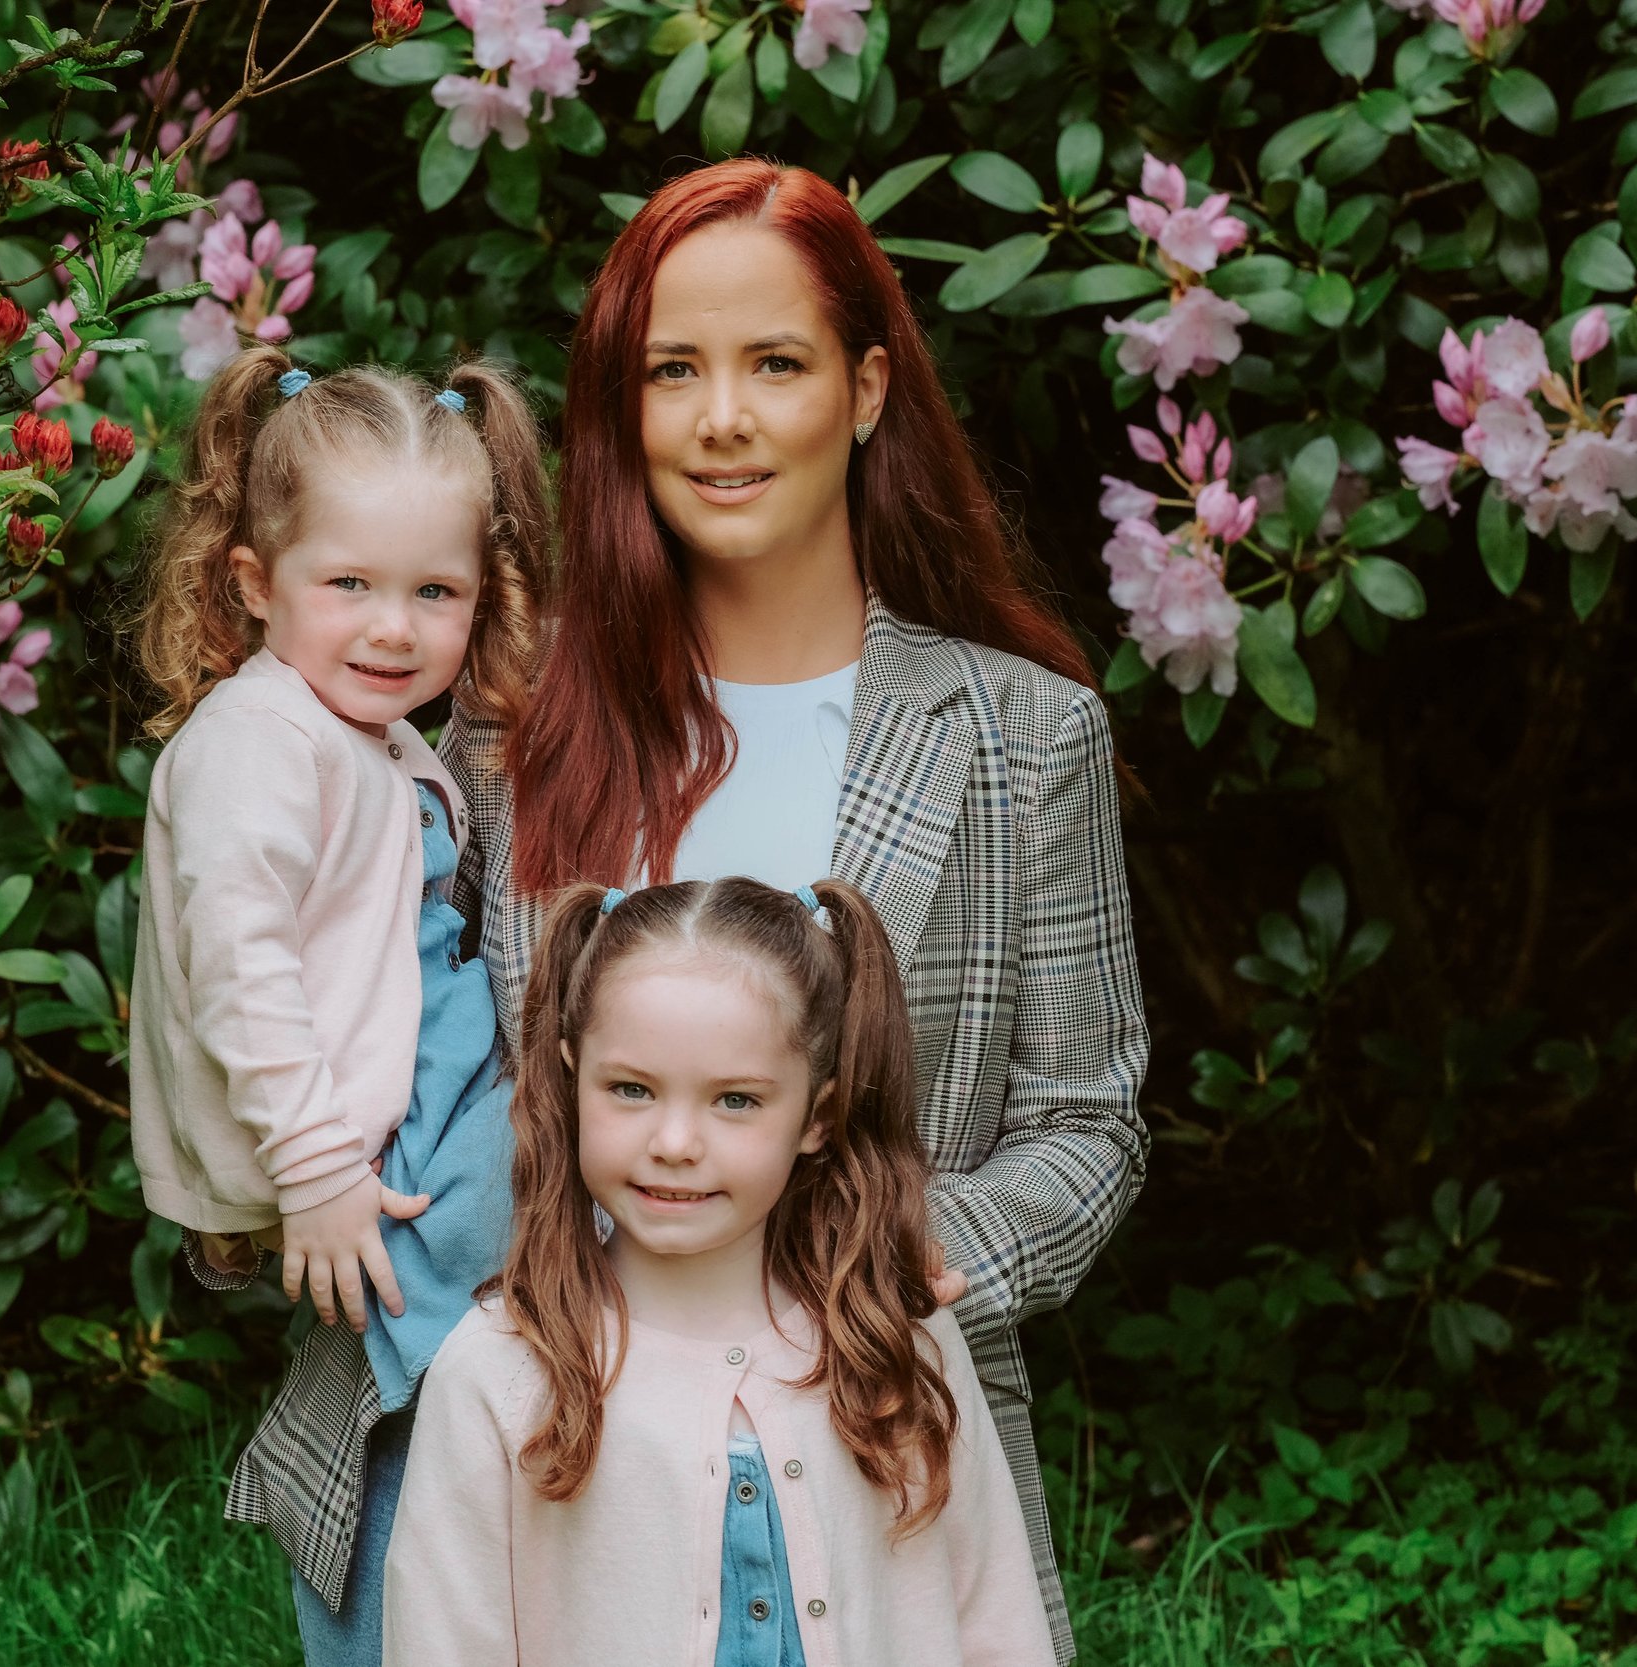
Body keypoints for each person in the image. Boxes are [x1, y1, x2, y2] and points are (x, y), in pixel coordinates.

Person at [441, 159, 1150, 1663]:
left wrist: (877, 1266)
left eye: (775, 364)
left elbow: (1089, 1125)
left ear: (869, 386)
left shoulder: (1021, 734)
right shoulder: (518, 725)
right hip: (556, 1452)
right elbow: (431, 1060)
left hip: (892, 1452)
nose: (722, 419)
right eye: (672, 371)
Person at [125, 346, 549, 1665]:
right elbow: (239, 965)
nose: (392, 627)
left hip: (416, 1084)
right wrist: (314, 1167)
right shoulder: (258, 741)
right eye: (348, 584)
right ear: (254, 584)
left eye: (436, 591)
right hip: (367, 1132)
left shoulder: (364, 733)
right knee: (529, 1244)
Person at [382, 877, 1056, 1666]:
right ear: (570, 1079)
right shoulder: (497, 1371)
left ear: (818, 1117)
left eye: (735, 1100)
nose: (674, 1140)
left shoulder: (902, 1342)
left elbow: (996, 1623)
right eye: (630, 1088)